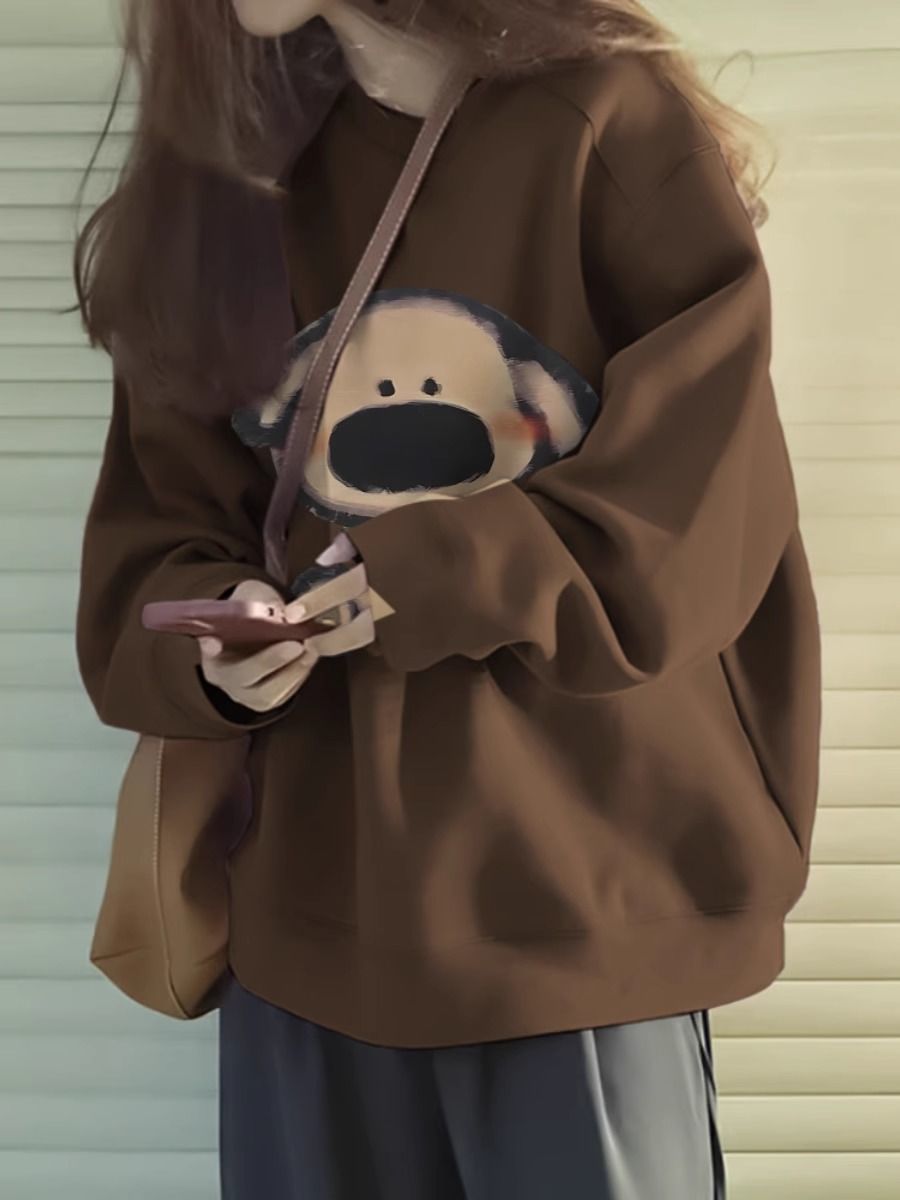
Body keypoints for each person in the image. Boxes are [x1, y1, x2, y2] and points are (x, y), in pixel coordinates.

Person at [74, 1, 823, 1197]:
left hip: (581, 920)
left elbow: (700, 510)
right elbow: (154, 540)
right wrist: (213, 641)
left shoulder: (606, 122)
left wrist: (428, 573)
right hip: (309, 935)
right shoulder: (227, 172)